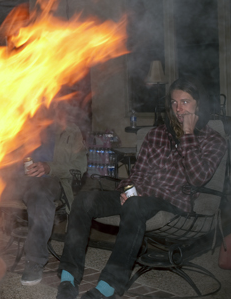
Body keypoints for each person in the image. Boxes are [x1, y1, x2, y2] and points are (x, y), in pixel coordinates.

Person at [56, 76, 227, 299]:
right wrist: (128, 190)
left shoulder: (214, 140)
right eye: (174, 103)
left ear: (198, 104)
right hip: (139, 199)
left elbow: (197, 178)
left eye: (185, 102)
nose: (178, 109)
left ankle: (109, 287)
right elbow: (135, 175)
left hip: (173, 203)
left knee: (135, 205)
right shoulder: (156, 134)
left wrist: (187, 135)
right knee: (83, 200)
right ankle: (69, 277)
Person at [5, 101, 87, 286]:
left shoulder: (70, 131)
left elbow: (80, 167)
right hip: (15, 181)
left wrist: (49, 167)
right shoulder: (19, 128)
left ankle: (34, 261)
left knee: (39, 195)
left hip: (49, 180)